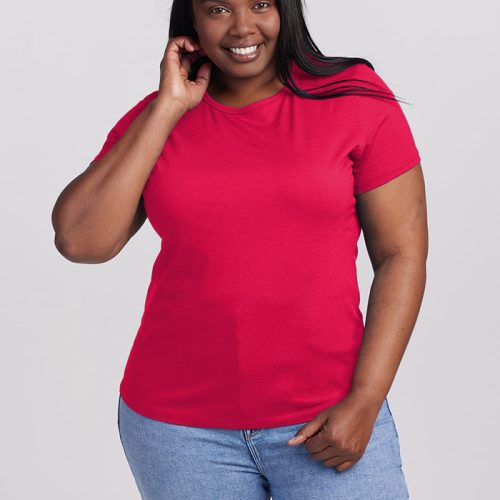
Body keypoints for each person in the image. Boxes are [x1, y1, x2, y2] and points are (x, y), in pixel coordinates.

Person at [51, 0, 427, 498]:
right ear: (191, 21)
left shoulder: (353, 100)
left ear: (285, 11)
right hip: (178, 430)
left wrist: (366, 397)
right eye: (218, 9)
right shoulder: (158, 118)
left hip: (329, 417)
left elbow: (401, 253)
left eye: (260, 4)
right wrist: (167, 108)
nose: (242, 26)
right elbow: (80, 241)